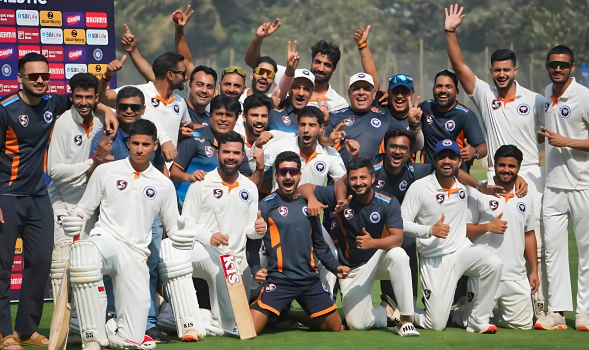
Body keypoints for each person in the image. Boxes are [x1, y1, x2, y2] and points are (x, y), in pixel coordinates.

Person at [0, 53, 117, 350]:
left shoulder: (54, 104)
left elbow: (88, 101)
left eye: (45, 76)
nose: (40, 81)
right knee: (2, 267)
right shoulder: (6, 110)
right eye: (33, 76)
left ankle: (25, 330)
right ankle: (4, 333)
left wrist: (107, 109)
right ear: (20, 79)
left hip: (39, 195)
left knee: (40, 263)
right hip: (7, 195)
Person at [445, 4, 548, 318]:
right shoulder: (485, 94)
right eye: (497, 70)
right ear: (492, 71)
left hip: (529, 174)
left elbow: (547, 135)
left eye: (507, 70)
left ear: (515, 70)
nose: (501, 74)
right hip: (492, 177)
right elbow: (460, 67)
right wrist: (450, 31)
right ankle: (477, 304)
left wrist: (527, 172)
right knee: (484, 239)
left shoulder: (535, 100)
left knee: (536, 244)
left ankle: (540, 306)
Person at [61, 119, 196, 349]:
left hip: (136, 255)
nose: (139, 149)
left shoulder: (163, 184)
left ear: (155, 145)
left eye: (145, 144)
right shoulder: (106, 171)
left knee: (131, 339)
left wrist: (183, 237)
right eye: (135, 143)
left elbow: (172, 227)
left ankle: (113, 327)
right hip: (106, 240)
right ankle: (92, 335)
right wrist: (74, 220)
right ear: (129, 143)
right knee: (86, 258)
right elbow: (84, 208)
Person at [158, 131, 264, 338]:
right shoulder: (201, 183)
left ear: (243, 156)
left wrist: (260, 230)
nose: (230, 157)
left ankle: (196, 317)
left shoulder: (250, 187)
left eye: (235, 153)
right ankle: (176, 312)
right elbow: (186, 222)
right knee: (170, 251)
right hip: (202, 251)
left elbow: (250, 230)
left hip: (235, 259)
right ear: (217, 154)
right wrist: (209, 237)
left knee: (228, 323)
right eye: (226, 152)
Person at [299, 158, 419, 337]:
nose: (358, 183)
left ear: (372, 178)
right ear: (348, 180)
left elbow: (398, 239)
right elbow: (303, 188)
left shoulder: (387, 201)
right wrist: (312, 200)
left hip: (379, 259)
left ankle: (406, 320)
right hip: (353, 267)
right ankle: (385, 313)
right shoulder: (340, 197)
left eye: (363, 178)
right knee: (357, 324)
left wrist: (373, 243)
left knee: (399, 255)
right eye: (353, 179)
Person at [88, 86, 171, 342]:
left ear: (143, 109)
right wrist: (100, 158)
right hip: (113, 221)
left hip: (148, 216)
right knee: (111, 270)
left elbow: (161, 172)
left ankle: (146, 323)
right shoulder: (106, 134)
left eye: (134, 107)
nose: (128, 111)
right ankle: (112, 317)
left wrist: (160, 211)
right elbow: (93, 175)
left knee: (149, 268)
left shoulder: (150, 131)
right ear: (117, 108)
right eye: (123, 106)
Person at [401, 139, 502, 333]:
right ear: (434, 160)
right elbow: (401, 223)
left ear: (458, 162)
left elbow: (468, 180)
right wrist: (429, 230)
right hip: (434, 258)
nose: (446, 161)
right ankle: (404, 312)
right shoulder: (420, 188)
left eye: (452, 157)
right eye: (442, 157)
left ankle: (478, 320)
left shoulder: (463, 188)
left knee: (493, 264)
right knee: (436, 325)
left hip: (461, 249)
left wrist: (481, 186)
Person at [248, 151, 350, 334]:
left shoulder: (309, 204)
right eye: (283, 172)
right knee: (250, 330)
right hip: (279, 280)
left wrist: (335, 267)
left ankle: (287, 314)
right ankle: (265, 306)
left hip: (308, 280)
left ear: (299, 176)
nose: (288, 176)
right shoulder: (266, 205)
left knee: (335, 327)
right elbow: (252, 244)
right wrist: (256, 269)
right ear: (277, 176)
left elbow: (319, 244)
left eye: (293, 172)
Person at [47, 73, 115, 338]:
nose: (84, 102)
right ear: (71, 95)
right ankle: (60, 329)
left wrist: (108, 109)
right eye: (79, 97)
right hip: (63, 202)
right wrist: (93, 162)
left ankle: (85, 324)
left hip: (90, 204)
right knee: (63, 263)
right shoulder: (64, 123)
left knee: (87, 264)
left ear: (96, 97)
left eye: (89, 97)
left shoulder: (101, 118)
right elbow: (54, 171)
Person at [451, 145, 537, 330]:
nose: (506, 170)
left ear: (519, 168)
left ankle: (483, 313)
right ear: (494, 164)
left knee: (522, 324)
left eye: (511, 166)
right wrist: (487, 227)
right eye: (502, 165)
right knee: (471, 322)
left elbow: (529, 234)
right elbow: (462, 230)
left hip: (516, 275)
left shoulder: (525, 196)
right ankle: (458, 312)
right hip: (485, 274)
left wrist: (534, 270)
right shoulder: (478, 192)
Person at [536, 45, 589, 331]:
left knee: (586, 251)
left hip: (583, 184)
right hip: (554, 185)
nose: (558, 69)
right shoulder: (546, 92)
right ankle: (556, 312)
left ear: (572, 67)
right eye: (553, 64)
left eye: (563, 65)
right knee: (554, 251)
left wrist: (566, 142)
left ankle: (584, 313)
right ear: (548, 66)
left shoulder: (584, 96)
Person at [98, 51, 198, 163]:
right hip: (140, 170)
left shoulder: (180, 102)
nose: (185, 77)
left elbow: (190, 126)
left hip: (166, 174)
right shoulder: (137, 93)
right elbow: (101, 98)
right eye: (183, 72)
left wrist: (179, 133)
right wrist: (107, 76)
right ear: (170, 75)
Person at [170, 95, 263, 205]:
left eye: (228, 115)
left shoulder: (237, 143)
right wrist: (189, 177)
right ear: (210, 115)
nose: (223, 119)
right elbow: (172, 172)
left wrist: (260, 169)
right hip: (185, 206)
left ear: (236, 118)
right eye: (219, 114)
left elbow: (248, 185)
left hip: (218, 211)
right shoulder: (194, 137)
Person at [325, 73, 424, 164]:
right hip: (339, 180)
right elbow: (317, 145)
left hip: (374, 181)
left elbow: (416, 146)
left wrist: (415, 125)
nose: (361, 92)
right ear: (349, 93)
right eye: (356, 88)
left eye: (367, 89)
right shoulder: (333, 117)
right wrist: (327, 140)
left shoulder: (387, 120)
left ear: (373, 94)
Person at [264, 106, 347, 191]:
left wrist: (353, 157)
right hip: (281, 203)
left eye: (312, 125)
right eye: (302, 125)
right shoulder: (281, 145)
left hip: (313, 203)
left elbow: (344, 183)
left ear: (321, 128)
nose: (306, 130)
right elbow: (256, 170)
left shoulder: (330, 153)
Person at [419, 70, 487, 172]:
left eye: (448, 86)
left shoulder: (466, 115)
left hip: (457, 178)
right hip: (429, 178)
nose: (443, 90)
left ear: (457, 92)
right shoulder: (425, 107)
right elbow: (402, 111)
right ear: (433, 90)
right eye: (439, 86)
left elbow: (483, 148)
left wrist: (474, 152)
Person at [267, 69, 316, 133]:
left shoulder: (314, 116)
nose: (301, 93)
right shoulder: (274, 111)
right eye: (296, 87)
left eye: (306, 89)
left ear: (312, 92)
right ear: (289, 89)